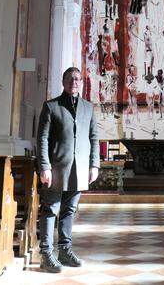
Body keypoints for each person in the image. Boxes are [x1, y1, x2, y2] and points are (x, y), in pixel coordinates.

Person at [37, 67, 100, 273]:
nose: (74, 82)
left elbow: (94, 138)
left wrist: (94, 164)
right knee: (50, 210)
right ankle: (46, 253)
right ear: (63, 82)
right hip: (56, 167)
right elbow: (43, 139)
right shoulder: (51, 106)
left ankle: (64, 250)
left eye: (78, 79)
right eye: (70, 78)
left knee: (69, 211)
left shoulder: (88, 108)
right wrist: (44, 166)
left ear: (81, 82)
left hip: (80, 169)